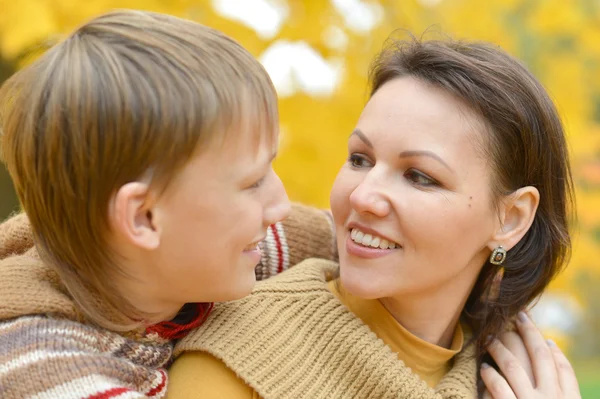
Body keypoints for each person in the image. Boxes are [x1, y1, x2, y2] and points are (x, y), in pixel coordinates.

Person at [166, 36, 581, 398]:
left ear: (509, 220)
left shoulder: (510, 379)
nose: (363, 196)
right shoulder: (242, 358)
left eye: (419, 176)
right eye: (360, 159)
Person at [0, 9, 337, 398]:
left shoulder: (196, 251)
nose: (279, 204)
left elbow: (346, 238)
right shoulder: (41, 365)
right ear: (143, 218)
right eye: (253, 182)